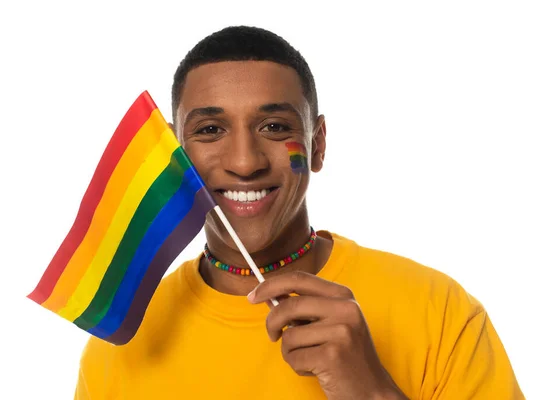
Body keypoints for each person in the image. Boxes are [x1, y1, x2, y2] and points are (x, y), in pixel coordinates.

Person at [74, 26, 523, 399]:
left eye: (274, 127)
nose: (245, 162)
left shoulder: (439, 311)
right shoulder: (122, 344)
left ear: (318, 143)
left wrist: (372, 392)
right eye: (210, 130)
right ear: (174, 155)